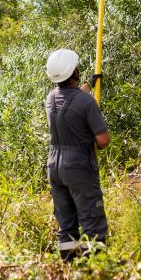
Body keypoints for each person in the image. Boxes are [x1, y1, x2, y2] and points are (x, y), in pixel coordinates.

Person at [45, 49, 110, 260]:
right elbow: (103, 140)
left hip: (54, 165)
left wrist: (89, 85)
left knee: (66, 224)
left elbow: (72, 100)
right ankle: (95, 271)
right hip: (79, 166)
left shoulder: (50, 98)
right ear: (73, 71)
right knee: (92, 220)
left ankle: (69, 271)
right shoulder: (86, 102)